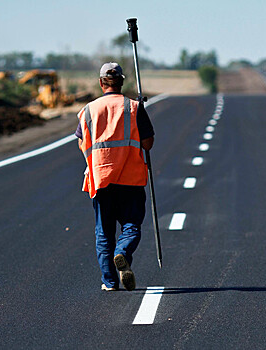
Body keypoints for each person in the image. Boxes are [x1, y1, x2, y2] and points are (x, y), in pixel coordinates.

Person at [75, 62, 154, 291]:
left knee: (104, 232)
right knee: (131, 226)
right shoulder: (133, 107)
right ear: (121, 82)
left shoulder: (89, 110)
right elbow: (148, 143)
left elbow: (82, 142)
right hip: (131, 179)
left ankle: (109, 281)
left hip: (101, 179)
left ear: (101, 83)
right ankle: (123, 252)